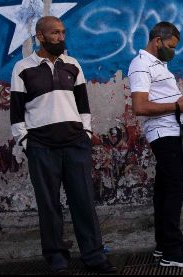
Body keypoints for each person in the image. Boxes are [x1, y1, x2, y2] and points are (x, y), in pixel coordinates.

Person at [9, 16, 116, 274]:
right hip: (41, 148)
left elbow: (83, 105)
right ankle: (56, 257)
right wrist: (26, 142)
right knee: (48, 205)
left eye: (63, 32)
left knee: (84, 202)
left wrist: (86, 133)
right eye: (55, 33)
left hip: (75, 145)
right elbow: (16, 112)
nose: (61, 37)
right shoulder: (22, 68)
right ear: (40, 36)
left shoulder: (73, 65)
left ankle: (93, 256)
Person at [128, 22, 183, 268]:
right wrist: (176, 107)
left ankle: (164, 245)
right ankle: (173, 250)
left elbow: (169, 98)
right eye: (170, 46)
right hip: (162, 133)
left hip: (171, 130)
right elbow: (140, 107)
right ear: (157, 40)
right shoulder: (141, 65)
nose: (172, 51)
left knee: (163, 188)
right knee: (175, 186)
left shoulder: (160, 66)